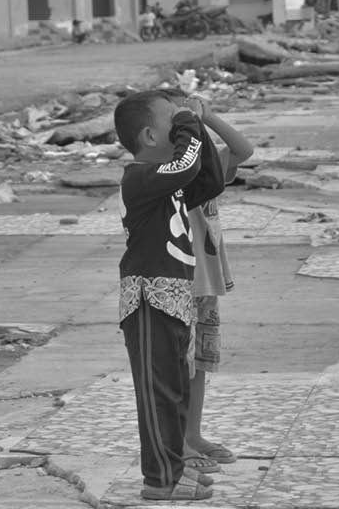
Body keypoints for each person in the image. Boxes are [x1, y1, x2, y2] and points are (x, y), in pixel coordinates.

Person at [112, 90, 223, 502]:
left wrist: (197, 125)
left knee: (176, 391)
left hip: (174, 300)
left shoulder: (169, 186)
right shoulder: (139, 178)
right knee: (158, 396)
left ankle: (175, 466)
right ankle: (160, 480)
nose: (178, 127)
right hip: (148, 300)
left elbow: (208, 178)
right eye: (170, 122)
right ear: (149, 136)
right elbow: (185, 165)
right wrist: (188, 121)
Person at [161, 90, 254, 476]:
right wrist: (189, 124)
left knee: (198, 364)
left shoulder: (206, 163)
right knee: (179, 366)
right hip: (182, 281)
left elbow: (244, 150)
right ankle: (178, 441)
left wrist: (209, 118)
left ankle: (193, 434)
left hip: (208, 282)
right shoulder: (170, 169)